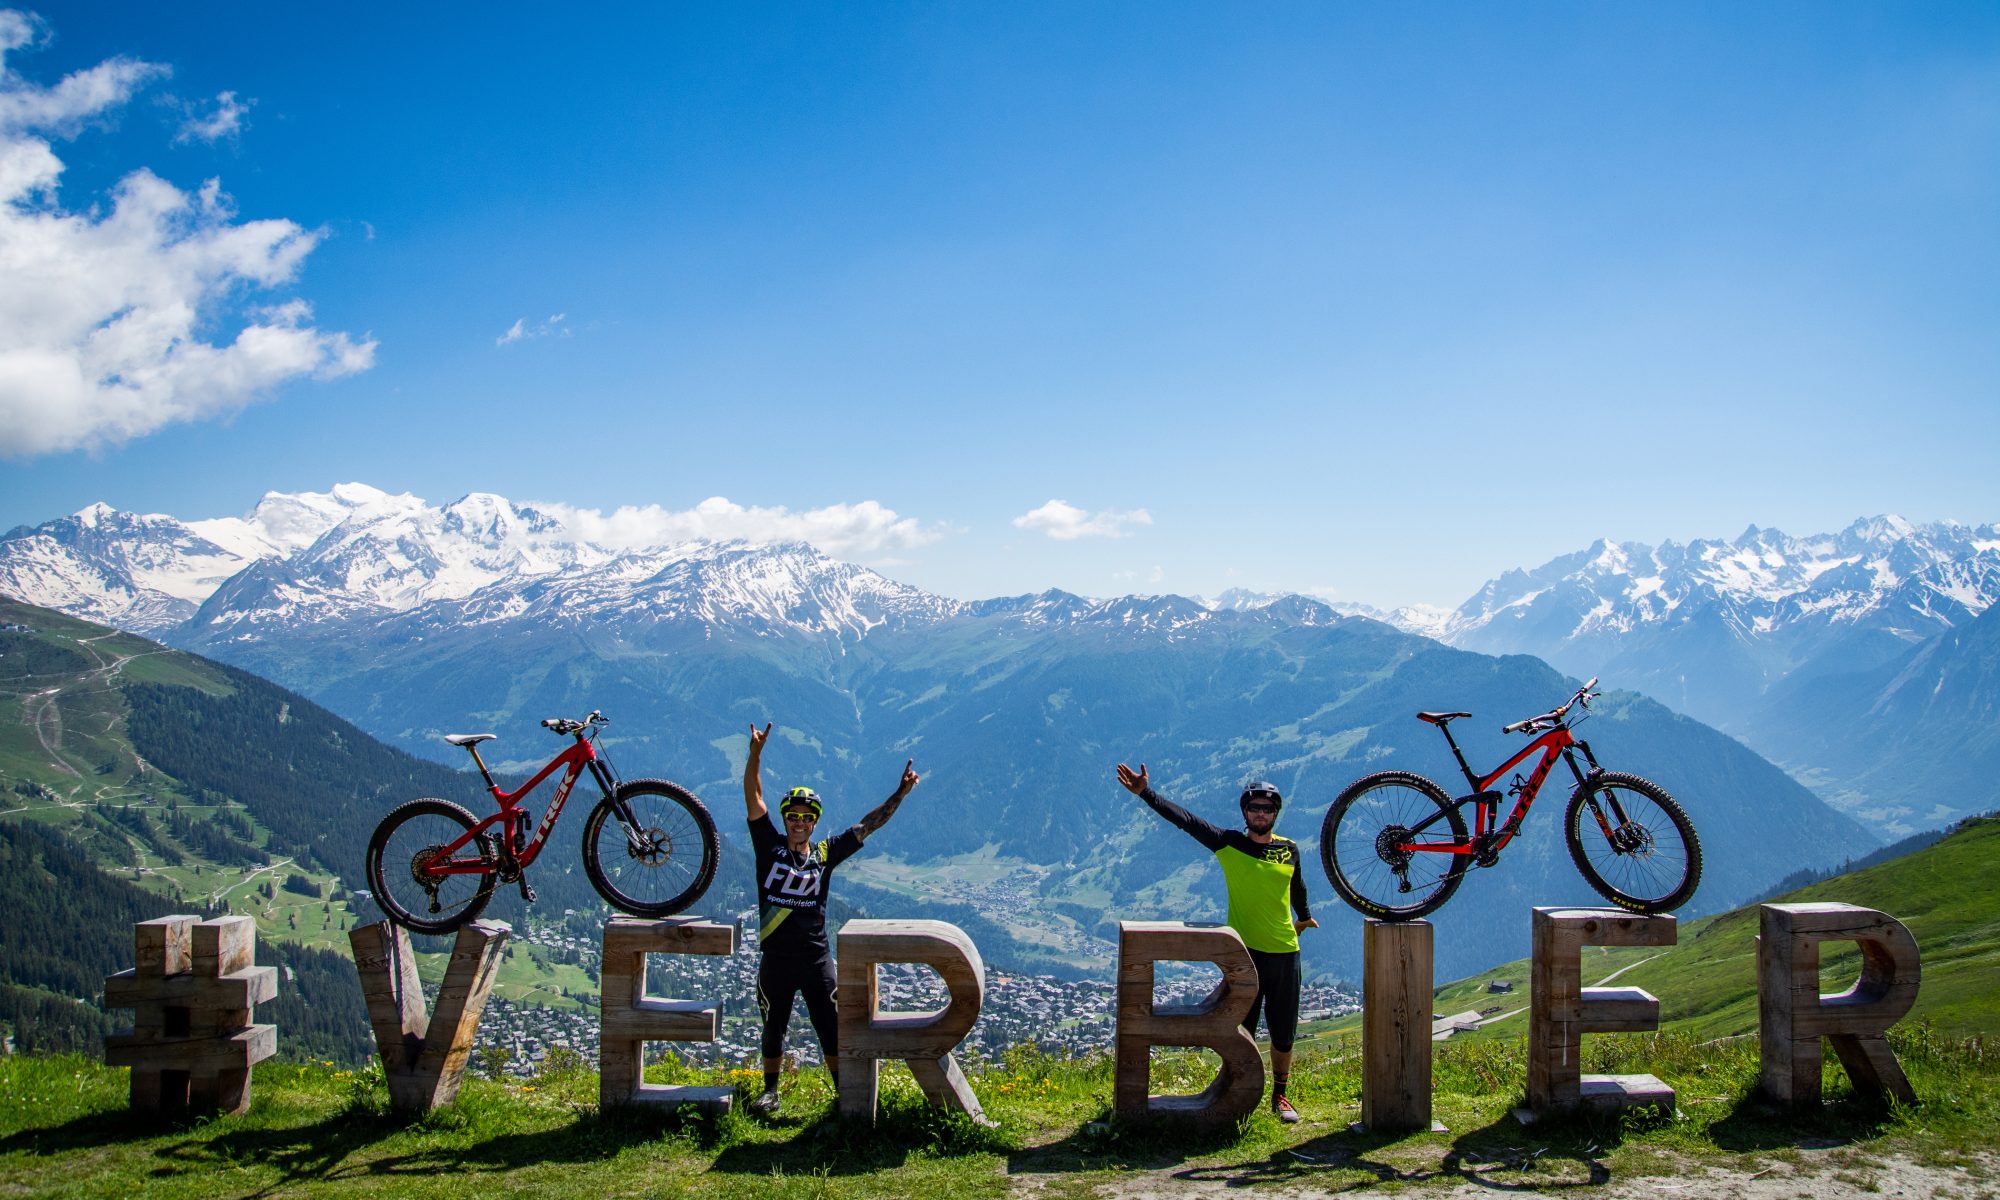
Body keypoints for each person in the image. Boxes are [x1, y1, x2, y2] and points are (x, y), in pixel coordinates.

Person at [1115, 763, 1318, 1122]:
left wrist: (1303, 916)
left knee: (1284, 1031)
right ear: (1244, 812)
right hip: (1245, 956)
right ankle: (1238, 1095)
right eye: (1254, 808)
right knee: (1243, 1029)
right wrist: (1146, 794)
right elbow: (1187, 821)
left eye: (1267, 808)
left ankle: (1281, 1096)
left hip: (1286, 952)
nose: (1260, 813)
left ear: (1276, 813)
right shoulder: (1229, 844)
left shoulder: (1290, 849)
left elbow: (1297, 886)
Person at [742, 722, 919, 1117]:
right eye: (793, 816)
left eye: (807, 818)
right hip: (776, 961)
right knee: (773, 1026)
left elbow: (868, 825)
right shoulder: (767, 845)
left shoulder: (825, 853)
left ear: (814, 822)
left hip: (817, 961)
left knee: (831, 1028)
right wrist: (755, 754)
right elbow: (753, 796)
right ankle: (770, 1092)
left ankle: (844, 1094)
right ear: (785, 818)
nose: (799, 823)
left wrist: (900, 794)